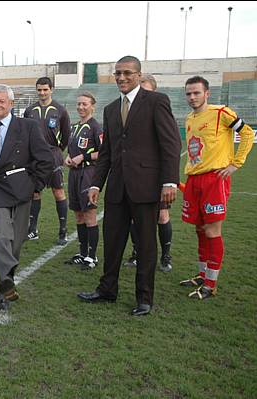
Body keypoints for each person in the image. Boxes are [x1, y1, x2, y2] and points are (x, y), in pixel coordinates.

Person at [77, 56, 181, 316]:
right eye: (117, 73)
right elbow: (108, 153)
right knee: (112, 242)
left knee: (145, 245)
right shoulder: (111, 109)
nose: (121, 78)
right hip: (117, 189)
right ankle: (107, 290)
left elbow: (171, 145)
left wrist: (169, 181)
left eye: (127, 73)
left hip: (146, 188)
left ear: (138, 74)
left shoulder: (156, 101)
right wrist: (96, 184)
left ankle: (144, 298)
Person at [0, 84, 53, 311]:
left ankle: (4, 289)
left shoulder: (27, 127)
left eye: (1, 101)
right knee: (2, 234)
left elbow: (46, 158)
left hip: (22, 191)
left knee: (15, 243)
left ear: (11, 103)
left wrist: (36, 185)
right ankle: (6, 286)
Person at [179, 76, 254, 299]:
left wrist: (235, 164)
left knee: (212, 231)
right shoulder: (189, 118)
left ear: (207, 93)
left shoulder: (221, 112)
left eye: (196, 93)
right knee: (199, 229)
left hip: (214, 179)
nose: (192, 97)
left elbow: (247, 133)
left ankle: (211, 284)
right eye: (189, 93)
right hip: (194, 179)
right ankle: (202, 275)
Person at [123, 73, 174, 273]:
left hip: (155, 176)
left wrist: (168, 180)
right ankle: (137, 252)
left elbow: (169, 144)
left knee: (162, 215)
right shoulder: (126, 110)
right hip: (135, 176)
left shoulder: (158, 106)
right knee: (135, 218)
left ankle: (165, 255)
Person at [23, 77, 71, 245]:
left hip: (53, 155)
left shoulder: (60, 110)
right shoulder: (29, 110)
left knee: (58, 192)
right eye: (39, 90)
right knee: (35, 192)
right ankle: (33, 230)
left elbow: (66, 136)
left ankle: (63, 231)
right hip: (34, 157)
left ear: (51, 89)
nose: (42, 93)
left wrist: (57, 152)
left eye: (45, 89)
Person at [64, 92, 102, 270]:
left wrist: (83, 157)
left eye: (84, 104)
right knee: (78, 214)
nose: (80, 107)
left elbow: (104, 152)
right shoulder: (74, 127)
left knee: (89, 214)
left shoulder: (96, 127)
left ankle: (92, 257)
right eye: (78, 104)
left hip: (88, 174)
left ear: (92, 106)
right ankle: (83, 253)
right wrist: (68, 158)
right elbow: (72, 151)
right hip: (74, 174)